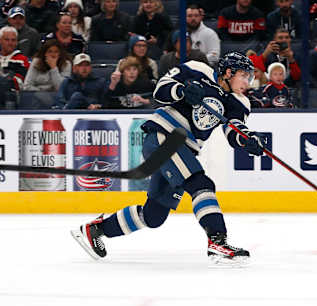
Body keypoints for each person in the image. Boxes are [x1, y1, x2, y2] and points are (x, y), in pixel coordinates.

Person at [70, 52, 267, 264]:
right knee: (200, 183)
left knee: (154, 216)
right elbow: (160, 89)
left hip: (183, 150)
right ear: (228, 72)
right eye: (245, 75)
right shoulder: (197, 70)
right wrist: (181, 91)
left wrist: (248, 140)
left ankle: (96, 230)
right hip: (165, 137)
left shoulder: (239, 102)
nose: (248, 81)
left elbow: (234, 130)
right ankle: (217, 240)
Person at [0, 25, 29, 108]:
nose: (10, 43)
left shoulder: (22, 60)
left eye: (13, 40)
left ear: (17, 42)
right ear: (0, 41)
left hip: (11, 98)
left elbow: (19, 82)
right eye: (7, 40)